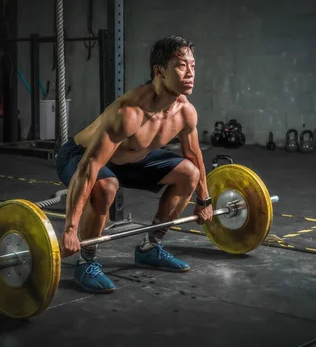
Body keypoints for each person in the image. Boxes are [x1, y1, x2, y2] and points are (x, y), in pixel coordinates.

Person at [56, 35, 213, 293]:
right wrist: (70, 229)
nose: (190, 73)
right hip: (78, 156)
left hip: (131, 160)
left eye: (193, 66)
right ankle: (86, 261)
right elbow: (88, 168)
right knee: (107, 185)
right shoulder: (129, 113)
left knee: (189, 173)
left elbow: (194, 155)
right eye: (181, 65)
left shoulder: (185, 112)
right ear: (159, 71)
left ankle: (150, 247)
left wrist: (204, 200)